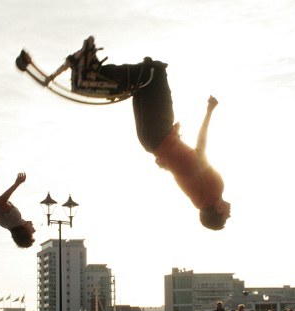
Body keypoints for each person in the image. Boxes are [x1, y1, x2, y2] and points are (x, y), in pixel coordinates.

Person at [58, 37, 231, 229]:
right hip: (151, 140)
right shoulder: (199, 200)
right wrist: (169, 152)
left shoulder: (215, 191)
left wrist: (209, 112)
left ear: (219, 211)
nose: (230, 214)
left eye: (226, 217)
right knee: (141, 84)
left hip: (160, 133)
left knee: (155, 72)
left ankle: (89, 77)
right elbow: (181, 168)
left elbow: (201, 149)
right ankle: (90, 75)